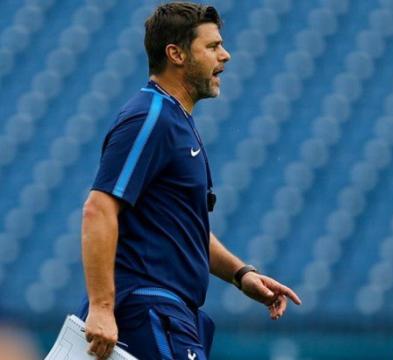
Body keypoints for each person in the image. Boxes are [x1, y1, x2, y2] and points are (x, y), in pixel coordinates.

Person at [78, 3, 301, 359]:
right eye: (212, 47)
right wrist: (102, 307)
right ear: (176, 54)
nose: (225, 56)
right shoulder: (150, 118)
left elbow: (182, 226)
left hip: (168, 309)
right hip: (149, 307)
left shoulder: (176, 120)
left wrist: (241, 274)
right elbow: (99, 208)